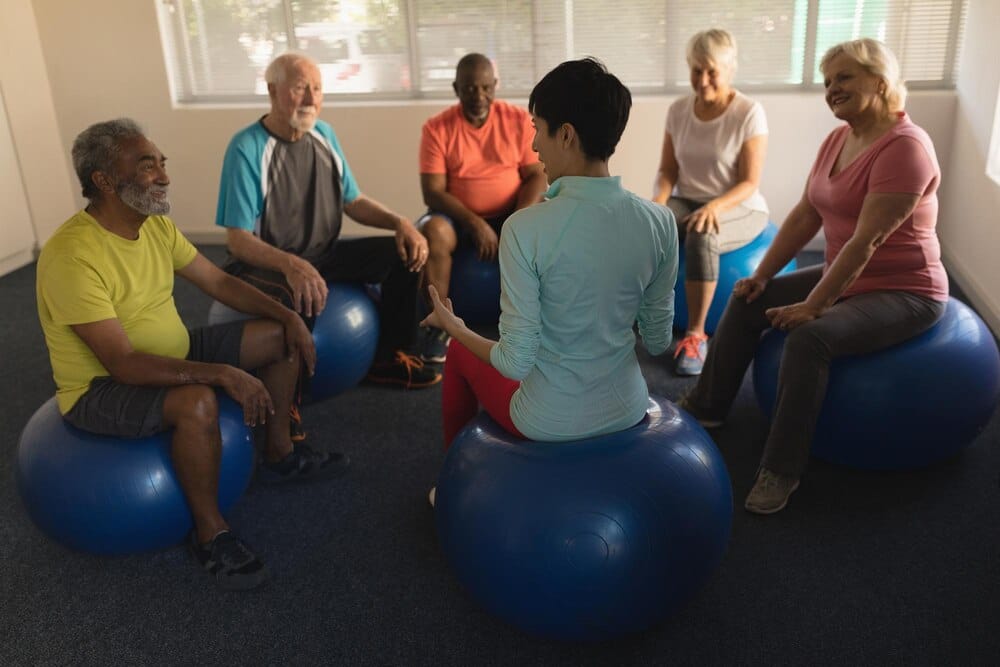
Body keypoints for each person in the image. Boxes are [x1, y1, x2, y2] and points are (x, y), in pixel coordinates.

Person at [37, 119, 348, 591]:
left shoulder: (156, 226)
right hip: (102, 386)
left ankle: (280, 453)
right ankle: (211, 534)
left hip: (172, 350)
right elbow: (123, 363)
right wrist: (222, 374)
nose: (163, 176)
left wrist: (286, 316)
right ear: (103, 181)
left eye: (163, 164)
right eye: (147, 166)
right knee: (199, 400)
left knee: (280, 337)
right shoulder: (71, 255)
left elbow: (219, 282)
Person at [678, 39, 948, 514]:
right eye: (828, 81)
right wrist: (761, 277)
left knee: (809, 340)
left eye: (844, 78)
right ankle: (708, 406)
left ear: (880, 81)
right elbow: (806, 215)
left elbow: (867, 242)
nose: (832, 89)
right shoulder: (838, 139)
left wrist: (815, 305)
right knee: (743, 302)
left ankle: (781, 470)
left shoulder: (906, 149)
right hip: (848, 274)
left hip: (904, 289)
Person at [422, 58, 678, 505]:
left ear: (567, 134)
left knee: (461, 351)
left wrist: (455, 327)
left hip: (549, 419)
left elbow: (516, 362)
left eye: (537, 129)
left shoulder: (524, 230)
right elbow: (657, 340)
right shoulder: (661, 222)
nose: (534, 146)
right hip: (628, 405)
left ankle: (449, 485)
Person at [215, 52, 440, 394]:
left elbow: (353, 201)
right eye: (300, 88)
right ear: (273, 91)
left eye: (317, 90)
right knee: (300, 294)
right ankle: (287, 406)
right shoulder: (246, 147)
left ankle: (389, 358)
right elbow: (238, 240)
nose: (310, 99)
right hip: (268, 265)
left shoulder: (324, 134)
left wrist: (400, 223)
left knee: (402, 253)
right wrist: (291, 264)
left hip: (322, 254)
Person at [652, 29, 769, 376]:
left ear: (729, 69)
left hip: (739, 205)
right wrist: (657, 203)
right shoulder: (678, 110)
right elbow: (668, 171)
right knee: (644, 226)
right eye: (695, 70)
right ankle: (637, 316)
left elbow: (750, 182)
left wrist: (714, 208)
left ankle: (695, 335)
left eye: (711, 71)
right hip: (687, 198)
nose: (702, 80)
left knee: (702, 236)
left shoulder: (748, 112)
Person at [417, 53, 547, 363]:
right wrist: (474, 222)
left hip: (510, 210)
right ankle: (438, 324)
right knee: (433, 231)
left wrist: (516, 221)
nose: (479, 96)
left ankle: (537, 323)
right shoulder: (437, 128)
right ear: (456, 88)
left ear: (495, 86)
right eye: (469, 88)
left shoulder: (517, 121)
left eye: (485, 87)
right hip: (458, 216)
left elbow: (537, 177)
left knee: (546, 224)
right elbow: (432, 192)